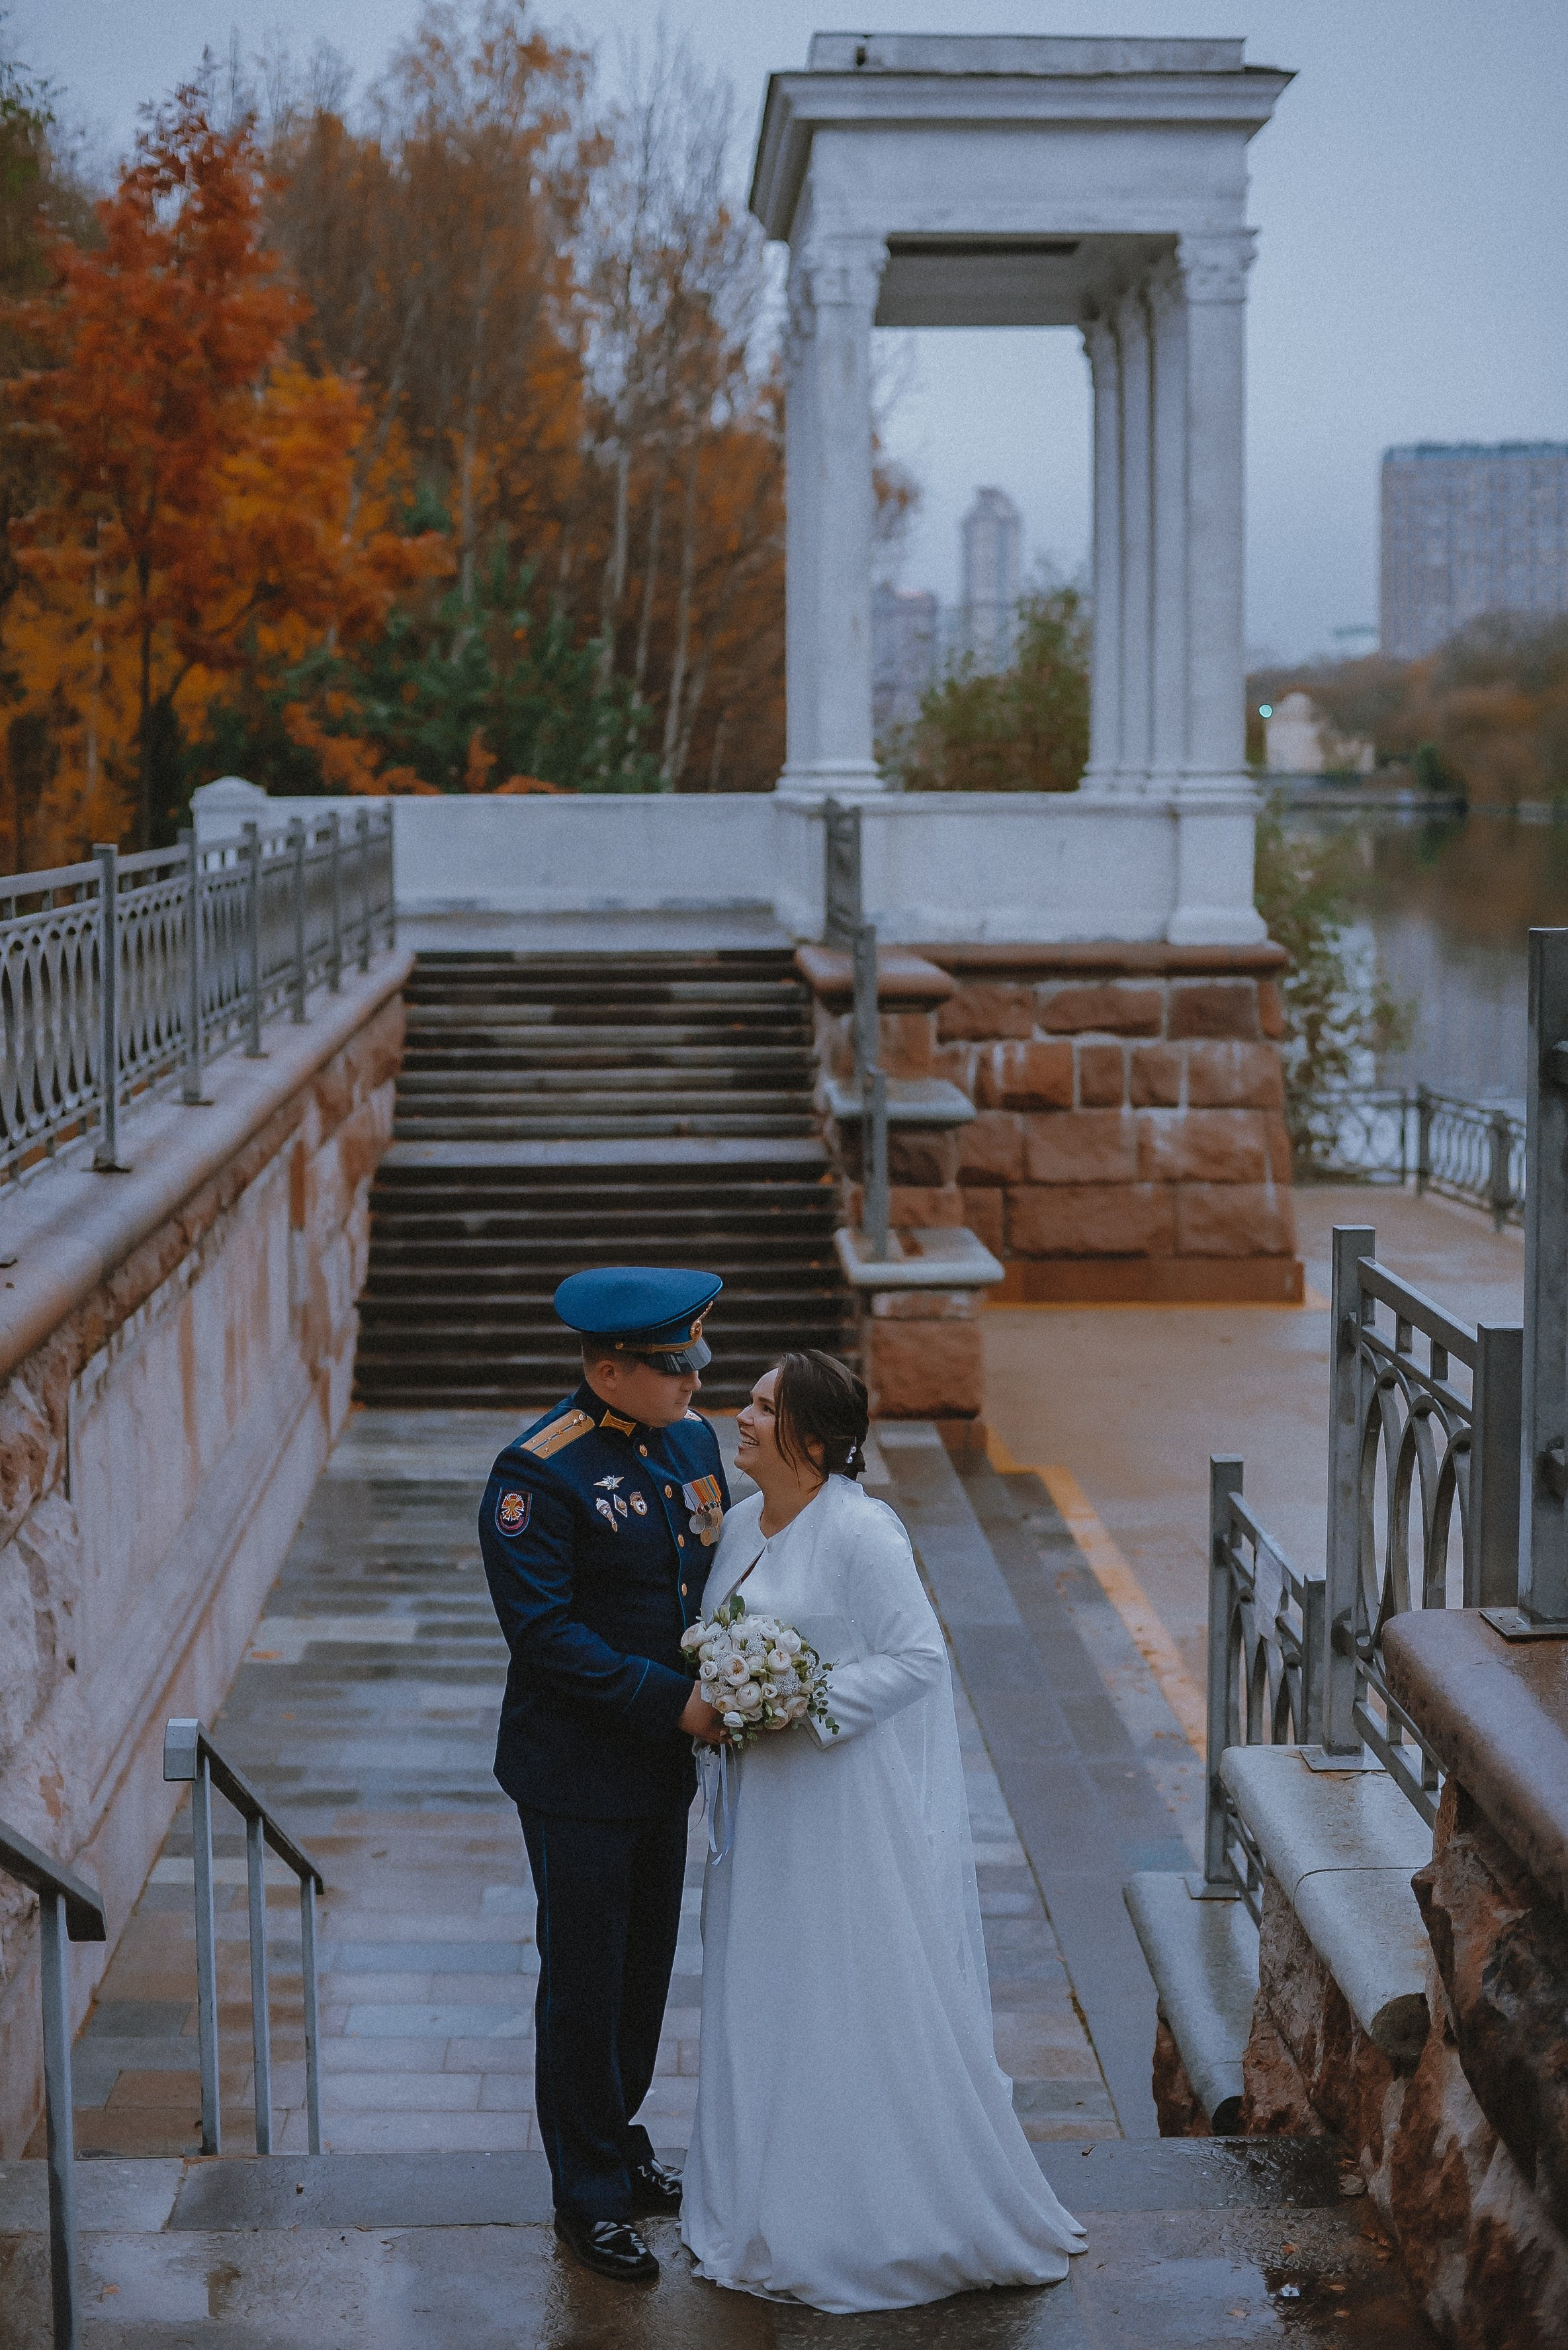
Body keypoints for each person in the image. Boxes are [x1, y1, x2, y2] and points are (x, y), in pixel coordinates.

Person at [681, 1349, 1086, 2314]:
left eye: (763, 1407)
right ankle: (763, 2195)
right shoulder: (740, 1525)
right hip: (761, 1804)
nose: (739, 1416)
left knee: (843, 1975)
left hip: (835, 1795)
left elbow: (915, 1659)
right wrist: (737, 1700)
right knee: (767, 1979)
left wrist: (799, 1700)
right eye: (746, 1401)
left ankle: (870, 2208)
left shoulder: (865, 1533)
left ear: (813, 1439)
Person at [478, 1266, 730, 2284]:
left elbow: (709, 1578)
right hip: (578, 1773)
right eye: (675, 1370)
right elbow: (546, 1637)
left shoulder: (692, 1440)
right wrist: (672, 1702)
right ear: (611, 1370)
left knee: (641, 1980)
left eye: (697, 1364)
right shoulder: (537, 1474)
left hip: (660, 1769)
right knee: (583, 1987)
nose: (696, 1386)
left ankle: (618, 2142)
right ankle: (587, 2193)